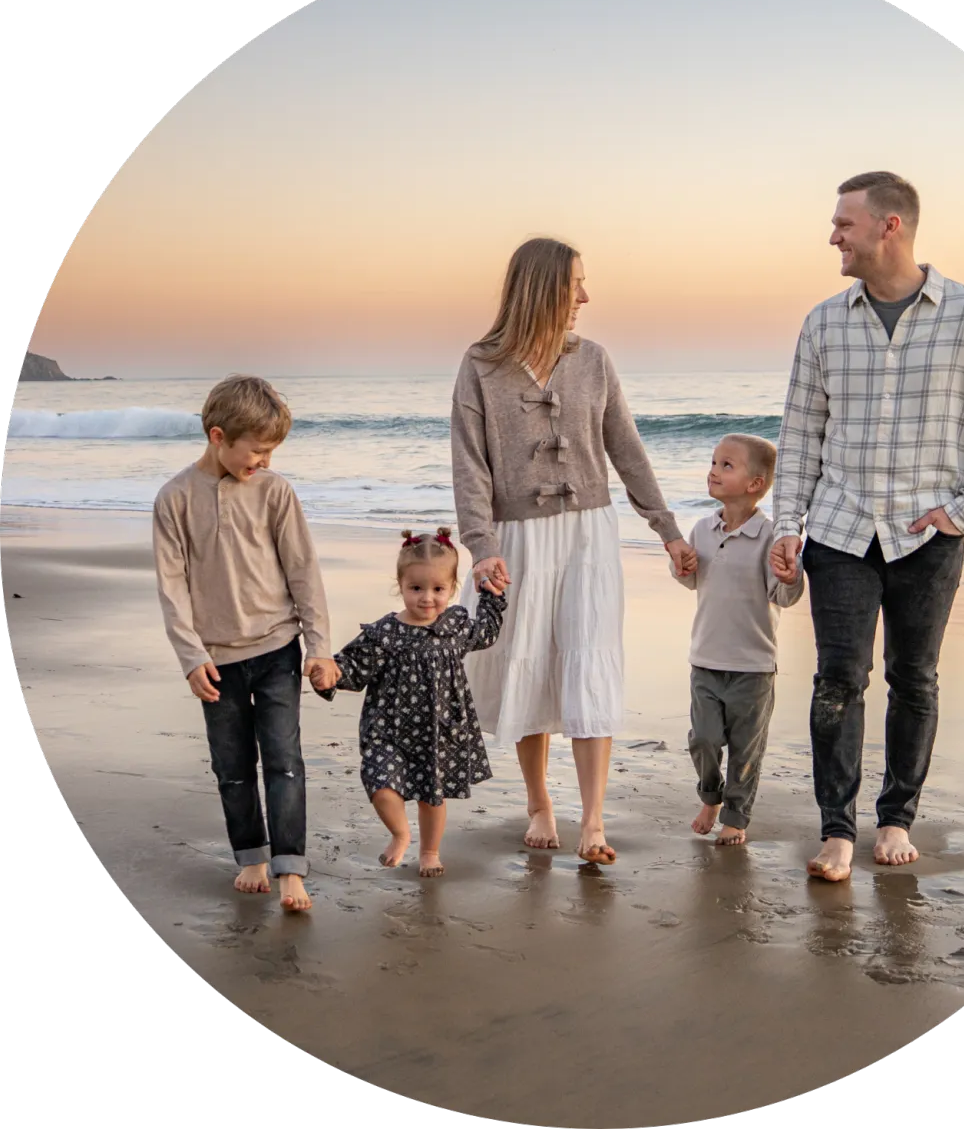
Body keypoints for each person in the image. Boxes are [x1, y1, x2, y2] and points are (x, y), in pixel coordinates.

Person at [770, 171, 964, 882]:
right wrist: (787, 524)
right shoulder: (824, 322)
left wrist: (961, 511)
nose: (833, 236)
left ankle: (895, 820)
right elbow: (800, 435)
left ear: (890, 226)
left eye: (843, 223)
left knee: (914, 678)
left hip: (928, 535)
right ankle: (836, 831)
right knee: (837, 679)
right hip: (840, 528)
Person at [451, 237, 697, 865]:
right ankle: (539, 804)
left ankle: (592, 820)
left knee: (590, 663)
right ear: (541, 289)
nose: (584, 296)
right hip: (516, 537)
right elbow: (470, 465)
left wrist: (667, 530)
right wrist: (481, 546)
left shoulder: (594, 361)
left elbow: (627, 449)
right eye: (574, 284)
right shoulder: (481, 366)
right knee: (527, 663)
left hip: (589, 534)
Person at [152, 374, 340, 912]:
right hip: (216, 661)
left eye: (271, 451)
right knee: (232, 768)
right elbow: (171, 587)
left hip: (278, 649)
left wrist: (319, 646)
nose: (265, 461)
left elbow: (304, 572)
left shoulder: (275, 491)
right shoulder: (174, 499)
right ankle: (252, 857)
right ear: (218, 437)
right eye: (257, 451)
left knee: (284, 760)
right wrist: (191, 657)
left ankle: (290, 868)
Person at [310, 528, 505, 879]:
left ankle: (430, 852)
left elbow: (486, 632)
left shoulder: (455, 625)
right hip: (389, 730)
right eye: (416, 588)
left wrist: (492, 596)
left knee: (433, 796)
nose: (427, 598)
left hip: (438, 729)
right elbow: (352, 666)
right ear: (400, 585)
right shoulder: (384, 633)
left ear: (452, 588)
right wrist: (328, 675)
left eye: (438, 589)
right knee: (380, 782)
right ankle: (400, 834)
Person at [671, 434, 804, 846]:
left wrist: (790, 576)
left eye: (726, 465)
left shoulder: (770, 536)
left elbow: (784, 596)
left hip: (753, 666)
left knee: (746, 751)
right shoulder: (702, 529)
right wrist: (681, 566)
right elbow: (693, 580)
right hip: (705, 660)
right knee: (704, 739)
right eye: (714, 462)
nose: (713, 470)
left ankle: (736, 817)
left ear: (755, 484)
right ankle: (710, 797)